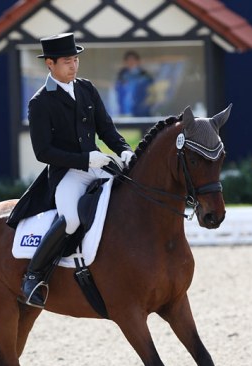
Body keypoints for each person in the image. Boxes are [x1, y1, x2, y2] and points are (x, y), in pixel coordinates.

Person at [18, 32, 134, 308]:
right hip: (67, 173)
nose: (73, 66)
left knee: (130, 199)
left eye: (75, 60)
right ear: (50, 64)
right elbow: (43, 152)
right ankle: (34, 276)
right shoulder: (40, 102)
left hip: (98, 165)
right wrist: (85, 160)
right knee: (70, 219)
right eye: (67, 61)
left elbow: (106, 128)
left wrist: (124, 150)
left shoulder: (86, 88)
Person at [115, 50, 152, 116]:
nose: (131, 62)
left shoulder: (145, 76)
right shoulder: (121, 76)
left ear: (138, 61)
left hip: (142, 112)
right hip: (125, 112)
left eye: (133, 60)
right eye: (128, 60)